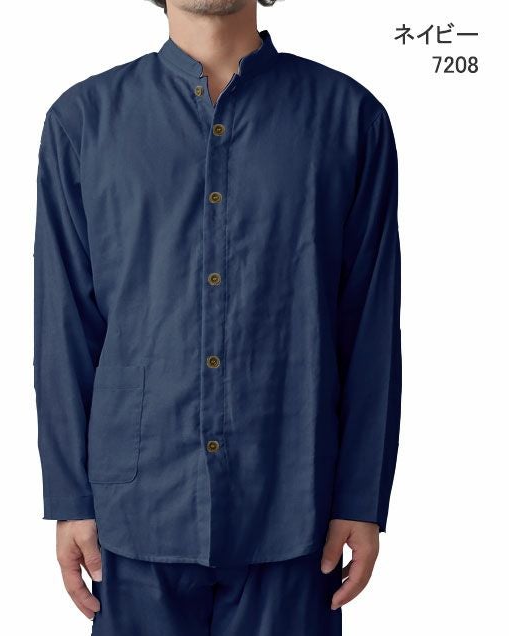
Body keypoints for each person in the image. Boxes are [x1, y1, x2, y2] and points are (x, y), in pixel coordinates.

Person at [33, 0, 402, 633]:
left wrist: (360, 496)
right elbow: (64, 323)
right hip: (134, 514)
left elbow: (369, 324)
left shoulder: (349, 117)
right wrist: (70, 497)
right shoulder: (83, 121)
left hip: (295, 507)